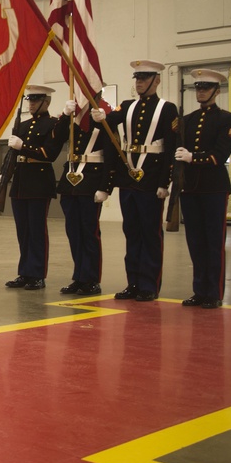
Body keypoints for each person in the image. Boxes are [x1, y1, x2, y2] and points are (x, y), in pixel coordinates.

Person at [91, 60, 179, 302]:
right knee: (131, 232)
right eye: (137, 78)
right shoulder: (127, 106)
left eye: (144, 78)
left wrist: (165, 182)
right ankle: (133, 282)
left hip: (151, 178)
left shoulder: (167, 109)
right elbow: (109, 123)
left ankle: (149, 284)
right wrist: (101, 117)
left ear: (156, 80)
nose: (139, 82)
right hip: (129, 177)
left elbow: (170, 149)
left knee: (150, 233)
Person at [174, 69, 231, 309]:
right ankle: (199, 289)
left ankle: (214, 292)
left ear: (216, 91)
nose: (200, 91)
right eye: (198, 87)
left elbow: (220, 155)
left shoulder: (225, 119)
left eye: (205, 88)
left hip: (214, 188)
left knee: (213, 241)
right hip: (191, 188)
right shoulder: (187, 120)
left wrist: (193, 157)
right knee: (195, 241)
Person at [51, 93, 114, 296]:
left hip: (91, 181)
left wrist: (106, 187)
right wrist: (64, 115)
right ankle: (79, 276)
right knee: (74, 233)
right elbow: (57, 139)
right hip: (71, 181)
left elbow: (112, 151)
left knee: (89, 233)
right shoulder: (74, 115)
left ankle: (91, 279)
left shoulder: (105, 113)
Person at [3, 86, 60, 291]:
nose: (32, 104)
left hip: (39, 180)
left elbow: (49, 154)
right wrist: (5, 173)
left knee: (37, 231)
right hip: (20, 181)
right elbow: (12, 154)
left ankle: (37, 274)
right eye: (30, 100)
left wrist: (23, 147)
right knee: (23, 231)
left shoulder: (53, 124)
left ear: (47, 102)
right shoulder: (22, 125)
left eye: (36, 100)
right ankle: (25, 272)